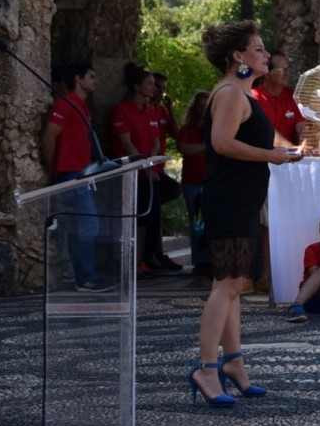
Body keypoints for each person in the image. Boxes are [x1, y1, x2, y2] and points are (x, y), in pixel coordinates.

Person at [194, 23, 303, 406]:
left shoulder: (244, 93)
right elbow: (222, 143)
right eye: (257, 48)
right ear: (238, 57)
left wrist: (286, 151)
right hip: (229, 200)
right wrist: (271, 156)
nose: (265, 55)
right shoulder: (229, 93)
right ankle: (206, 369)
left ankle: (233, 364)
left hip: (242, 198)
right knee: (225, 285)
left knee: (236, 285)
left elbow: (255, 140)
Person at [41, 60, 110, 292]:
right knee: (89, 225)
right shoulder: (66, 103)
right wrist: (53, 169)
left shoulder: (83, 106)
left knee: (80, 226)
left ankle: (78, 274)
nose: (96, 80)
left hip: (82, 173)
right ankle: (86, 278)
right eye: (91, 76)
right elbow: (50, 136)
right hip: (70, 174)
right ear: (78, 80)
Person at [108, 62, 180, 271]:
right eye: (149, 84)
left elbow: (157, 142)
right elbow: (127, 144)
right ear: (136, 87)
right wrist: (145, 168)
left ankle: (145, 260)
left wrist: (153, 165)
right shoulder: (122, 111)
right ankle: (135, 264)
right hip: (134, 176)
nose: (154, 88)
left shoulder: (151, 112)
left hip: (150, 175)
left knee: (151, 218)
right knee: (139, 219)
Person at [176, 90, 213, 273]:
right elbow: (185, 149)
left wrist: (200, 149)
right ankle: (199, 260)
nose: (203, 108)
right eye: (200, 104)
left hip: (212, 181)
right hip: (192, 181)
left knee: (212, 221)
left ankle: (212, 259)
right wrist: (207, 148)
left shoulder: (216, 126)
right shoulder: (187, 129)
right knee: (196, 223)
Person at [251, 54, 305, 147]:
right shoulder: (253, 98)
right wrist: (292, 149)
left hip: (289, 157)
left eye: (287, 69)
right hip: (262, 157)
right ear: (267, 74)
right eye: (282, 70)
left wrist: (306, 144)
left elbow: (302, 128)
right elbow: (265, 132)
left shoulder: (293, 97)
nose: (287, 73)